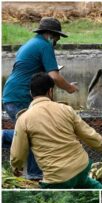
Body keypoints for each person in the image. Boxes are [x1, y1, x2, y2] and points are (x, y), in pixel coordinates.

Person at [10, 72, 102, 189]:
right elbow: (88, 134)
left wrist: (16, 168)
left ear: (31, 93)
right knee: (86, 183)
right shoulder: (66, 109)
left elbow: (17, 154)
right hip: (81, 166)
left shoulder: (23, 119)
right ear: (50, 91)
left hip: (57, 178)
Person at [2, 17, 78, 180]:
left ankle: (35, 174)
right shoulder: (44, 46)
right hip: (21, 96)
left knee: (32, 133)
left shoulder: (29, 44)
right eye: (57, 37)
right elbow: (54, 76)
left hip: (12, 94)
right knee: (34, 134)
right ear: (50, 34)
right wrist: (70, 88)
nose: (57, 41)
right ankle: (35, 175)